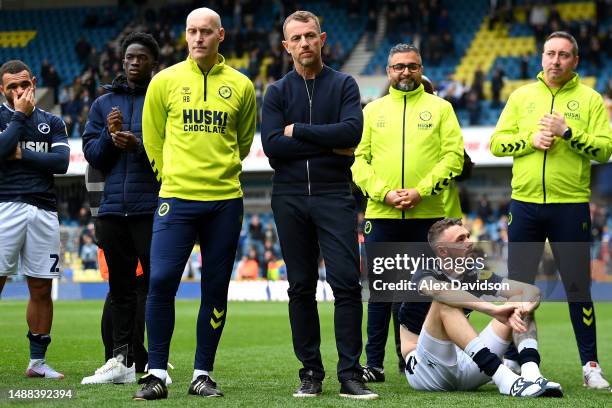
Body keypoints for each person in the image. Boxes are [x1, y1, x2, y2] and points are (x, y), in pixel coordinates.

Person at [134, 7, 256, 400]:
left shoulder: (241, 85)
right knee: (160, 281)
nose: (198, 37)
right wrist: (170, 177)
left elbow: (242, 141)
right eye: (191, 31)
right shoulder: (164, 81)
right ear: (184, 36)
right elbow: (152, 139)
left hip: (224, 201)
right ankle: (156, 373)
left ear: (220, 35)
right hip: (177, 198)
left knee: (215, 288)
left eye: (206, 31)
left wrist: (218, 172)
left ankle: (202, 373)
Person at [261, 10, 376, 400]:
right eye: (296, 38)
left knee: (345, 283)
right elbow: (273, 147)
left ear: (322, 38)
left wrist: (302, 132)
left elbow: (352, 132)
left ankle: (350, 373)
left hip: (334, 194)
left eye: (310, 35)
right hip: (289, 197)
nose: (304, 43)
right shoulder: (277, 92)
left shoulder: (344, 84)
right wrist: (330, 143)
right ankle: (310, 371)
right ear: (286, 46)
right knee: (300, 287)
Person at [490, 31, 612, 389]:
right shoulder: (521, 96)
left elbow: (605, 150)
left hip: (570, 207)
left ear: (575, 60)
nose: (555, 60)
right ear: (541, 57)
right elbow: (497, 143)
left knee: (578, 288)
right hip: (525, 205)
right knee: (519, 290)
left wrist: (568, 131)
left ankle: (590, 365)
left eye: (563, 55)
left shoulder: (589, 99)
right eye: (549, 53)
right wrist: (529, 141)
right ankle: (516, 356)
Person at [352, 44, 464, 383]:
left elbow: (453, 157)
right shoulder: (371, 111)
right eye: (398, 67)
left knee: (423, 291)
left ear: (421, 68)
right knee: (380, 293)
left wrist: (421, 190)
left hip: (427, 215)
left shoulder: (441, 108)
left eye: (412, 66)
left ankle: (414, 358)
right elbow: (359, 160)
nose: (405, 72)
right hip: (381, 214)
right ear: (388, 72)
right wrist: (384, 192)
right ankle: (374, 364)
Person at [399, 218, 563, 397]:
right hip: (427, 372)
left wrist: (524, 307)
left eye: (468, 236)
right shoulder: (424, 271)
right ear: (443, 251)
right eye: (460, 240)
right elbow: (440, 292)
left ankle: (531, 373)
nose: (469, 242)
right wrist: (492, 309)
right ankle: (505, 379)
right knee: (445, 302)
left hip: (470, 363)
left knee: (518, 300)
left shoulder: (473, 272)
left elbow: (530, 291)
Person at [80, 32, 160, 385]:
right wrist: (110, 140)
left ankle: (155, 361)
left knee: (156, 287)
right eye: (129, 57)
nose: (133, 62)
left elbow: (172, 150)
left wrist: (138, 145)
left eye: (141, 57)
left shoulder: (162, 99)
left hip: (150, 208)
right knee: (121, 290)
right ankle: (120, 361)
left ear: (152, 63)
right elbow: (93, 157)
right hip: (112, 210)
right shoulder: (102, 104)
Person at [0, 59, 70, 379]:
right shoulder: (4, 118)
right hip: (5, 206)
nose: (18, 91)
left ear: (34, 83)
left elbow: (60, 163)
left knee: (41, 288)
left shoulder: (53, 122)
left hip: (44, 210)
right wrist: (19, 117)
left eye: (23, 84)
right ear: (2, 89)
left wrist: (22, 155)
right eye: (11, 86)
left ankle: (38, 362)